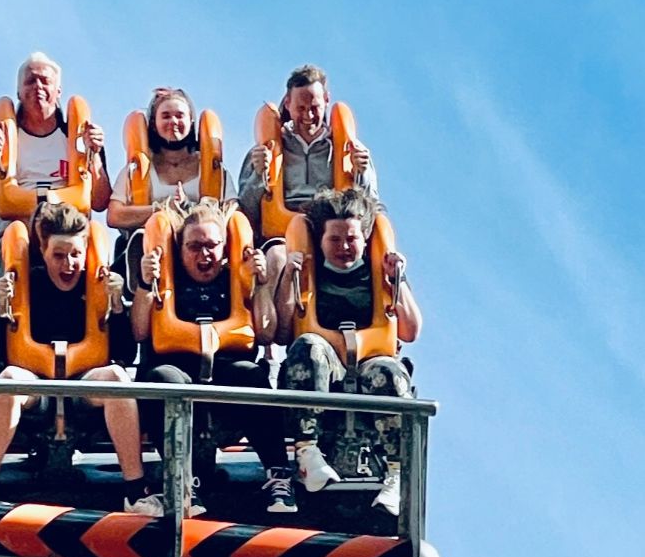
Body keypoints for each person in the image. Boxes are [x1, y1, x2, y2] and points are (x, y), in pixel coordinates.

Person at [0, 200, 159, 513]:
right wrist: (3, 311)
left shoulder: (97, 283)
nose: (69, 264)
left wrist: (115, 309)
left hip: (83, 383)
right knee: (7, 382)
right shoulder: (28, 282)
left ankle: (135, 491)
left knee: (116, 378)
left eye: (75, 254)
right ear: (43, 251)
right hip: (37, 383)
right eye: (58, 256)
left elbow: (125, 354)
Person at [133, 197, 297, 515]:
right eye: (194, 247)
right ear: (180, 251)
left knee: (254, 375)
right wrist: (144, 283)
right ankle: (182, 482)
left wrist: (261, 285)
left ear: (224, 248)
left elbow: (265, 334)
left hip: (225, 369)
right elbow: (139, 332)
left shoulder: (235, 279)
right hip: (176, 367)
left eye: (211, 245)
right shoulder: (168, 279)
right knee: (163, 380)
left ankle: (279, 476)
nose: (204, 254)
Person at [273, 187, 421, 514]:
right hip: (326, 364)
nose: (344, 247)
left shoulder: (378, 272)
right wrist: (287, 279)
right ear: (321, 240)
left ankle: (395, 475)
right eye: (335, 239)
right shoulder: (311, 273)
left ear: (365, 238)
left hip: (369, 362)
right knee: (308, 347)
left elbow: (411, 331)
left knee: (390, 373)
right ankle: (307, 454)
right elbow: (283, 333)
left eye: (351, 239)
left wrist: (398, 280)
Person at [235, 65, 377, 323]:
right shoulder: (268, 146)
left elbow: (370, 209)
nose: (308, 115)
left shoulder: (346, 148)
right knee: (276, 259)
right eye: (301, 108)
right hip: (282, 234)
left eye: (314, 107)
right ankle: (271, 337)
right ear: (288, 104)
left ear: (326, 100)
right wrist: (258, 175)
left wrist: (361, 173)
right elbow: (246, 209)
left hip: (331, 233)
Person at [0, 52, 111, 246]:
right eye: (30, 81)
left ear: (58, 91)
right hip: (15, 238)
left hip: (68, 241)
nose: (38, 86)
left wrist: (94, 155)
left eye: (45, 81)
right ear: (19, 91)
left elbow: (100, 202)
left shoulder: (79, 137)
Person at [108, 87, 204, 232]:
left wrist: (188, 207)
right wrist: (162, 209)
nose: (173, 121)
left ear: (191, 121)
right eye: (166, 116)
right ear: (153, 124)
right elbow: (114, 215)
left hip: (198, 242)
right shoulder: (137, 168)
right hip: (148, 244)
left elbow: (233, 208)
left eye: (179, 115)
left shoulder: (210, 166)